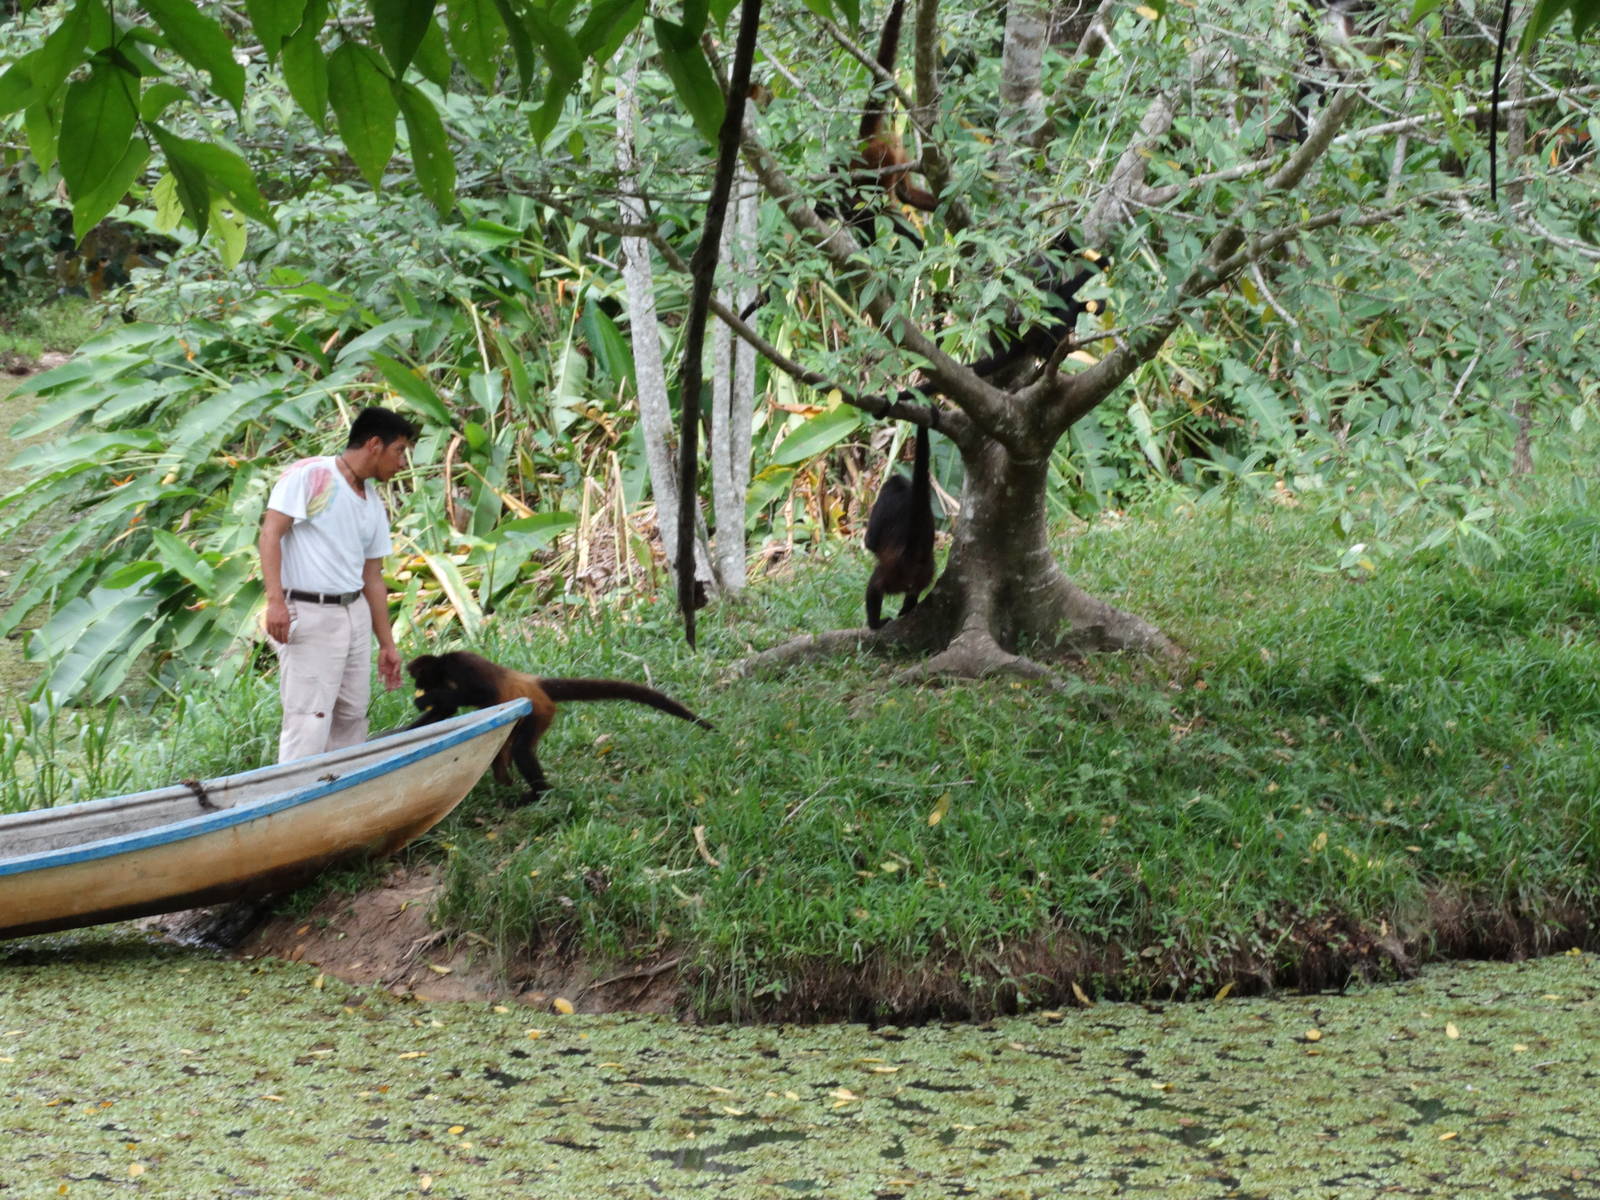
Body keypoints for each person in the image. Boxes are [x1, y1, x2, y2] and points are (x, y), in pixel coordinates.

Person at [258, 406, 417, 762]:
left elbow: (372, 578)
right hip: (310, 612)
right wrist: (275, 602)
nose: (402, 463)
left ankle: (341, 799)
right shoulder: (311, 476)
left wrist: (387, 645)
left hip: (353, 613)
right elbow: (270, 534)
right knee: (308, 718)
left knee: (351, 715)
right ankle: (293, 805)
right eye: (400, 451)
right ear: (375, 444)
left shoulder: (373, 502)